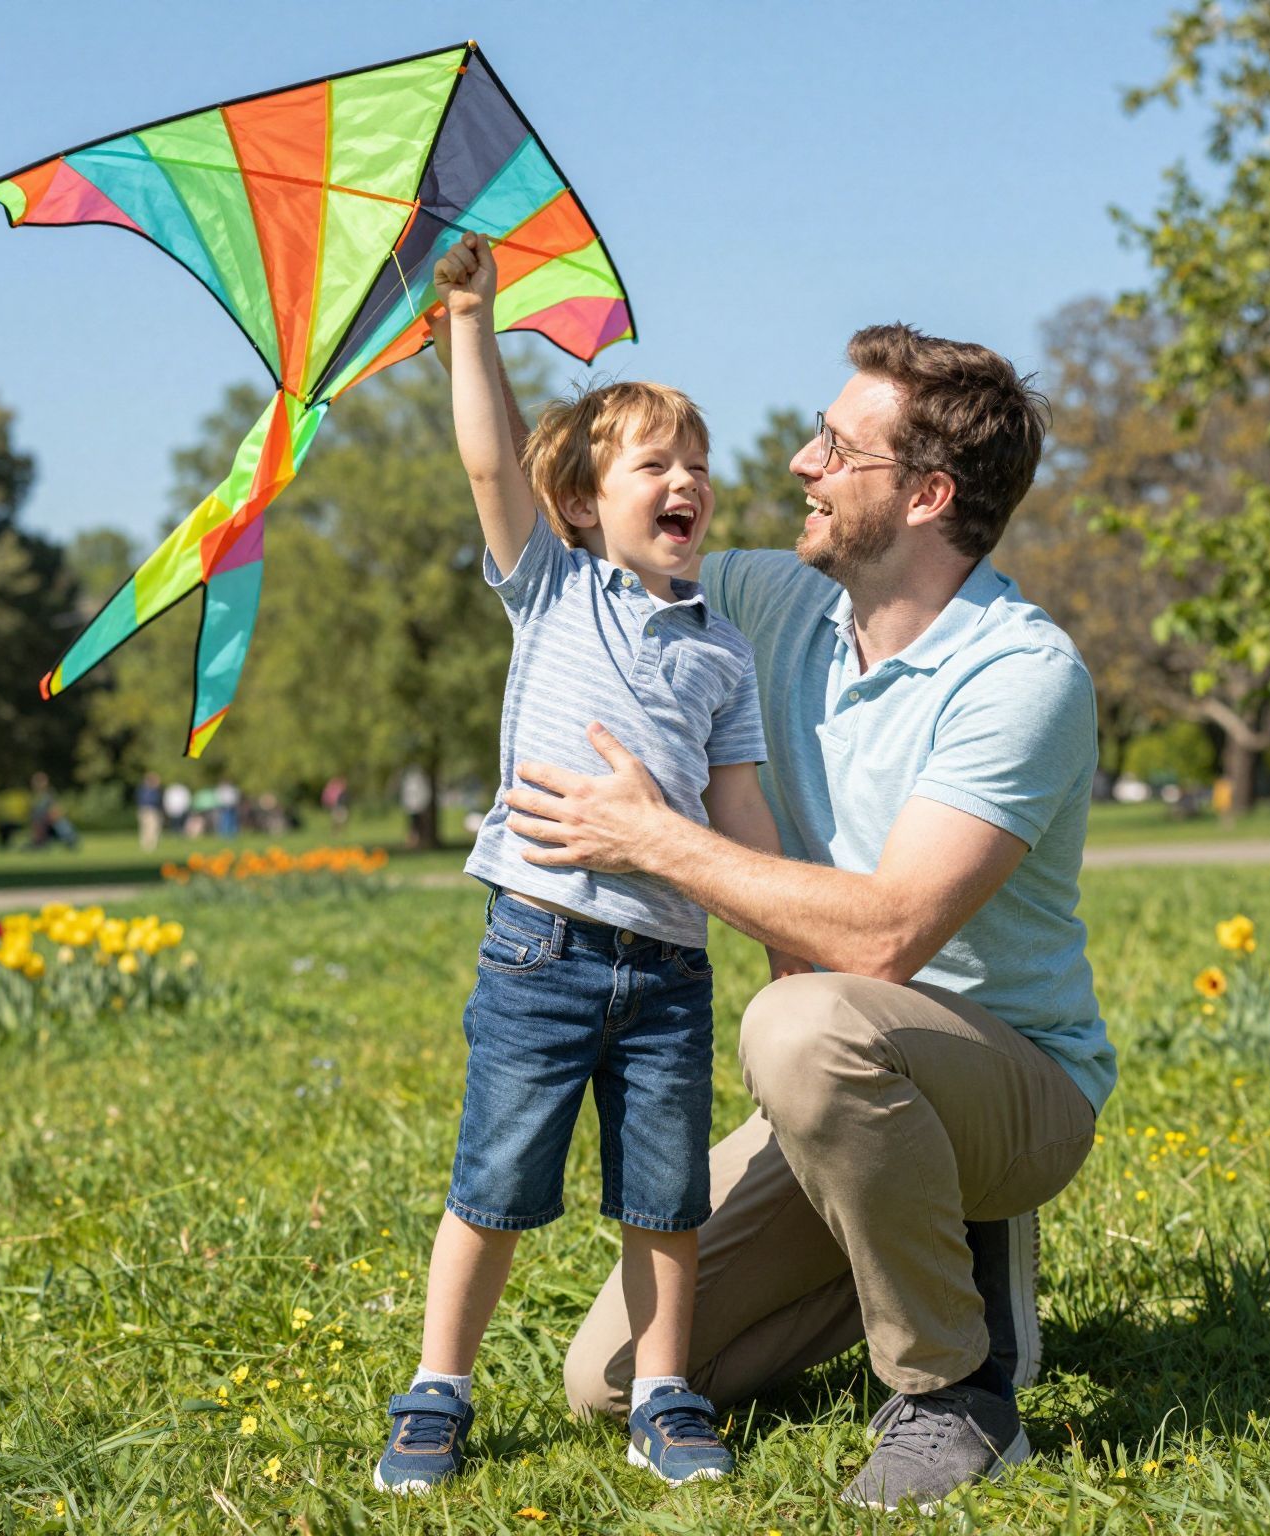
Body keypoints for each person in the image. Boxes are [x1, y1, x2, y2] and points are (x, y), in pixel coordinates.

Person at [505, 324, 1111, 1512]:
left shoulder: (1019, 674)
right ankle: (924, 1249)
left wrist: (653, 839)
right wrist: (469, 346)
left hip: (1010, 1082)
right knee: (619, 1378)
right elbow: (584, 568)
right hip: (842, 1082)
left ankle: (953, 1392)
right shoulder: (762, 604)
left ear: (926, 495)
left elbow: (885, 937)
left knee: (801, 1022)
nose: (798, 463)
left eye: (836, 446)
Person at [372, 232, 799, 1497]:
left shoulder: (722, 651)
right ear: (580, 504)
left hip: (669, 967)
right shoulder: (551, 589)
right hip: (542, 946)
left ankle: (665, 1392)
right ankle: (438, 1388)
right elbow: (488, 456)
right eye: (652, 463)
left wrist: (786, 952)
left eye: (698, 465)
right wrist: (469, 320)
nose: (686, 481)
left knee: (666, 1200)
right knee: (494, 1186)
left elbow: (742, 812)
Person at [136, 771, 163, 852]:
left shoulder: (142, 790)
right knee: (151, 828)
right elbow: (155, 801)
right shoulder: (151, 791)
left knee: (147, 828)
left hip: (144, 810)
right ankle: (150, 845)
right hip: (150, 810)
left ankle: (147, 845)